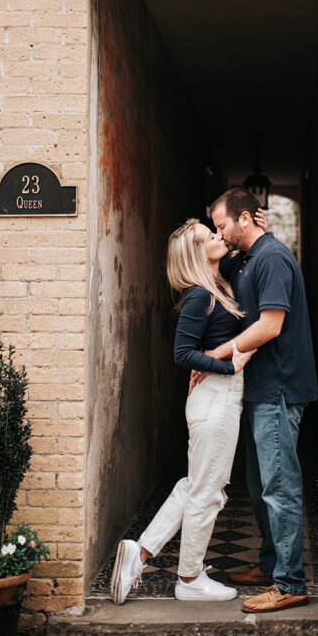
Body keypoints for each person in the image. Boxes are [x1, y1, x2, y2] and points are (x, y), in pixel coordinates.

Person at [110, 218, 254, 604]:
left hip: (216, 399)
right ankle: (189, 578)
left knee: (196, 485)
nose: (218, 235)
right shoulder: (199, 296)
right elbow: (182, 353)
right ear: (196, 253)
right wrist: (229, 365)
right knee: (208, 490)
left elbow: (245, 253)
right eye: (210, 236)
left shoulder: (216, 285)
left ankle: (139, 553)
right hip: (216, 399)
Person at [208, 188, 318, 613]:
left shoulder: (272, 258)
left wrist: (216, 354)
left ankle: (290, 582)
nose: (220, 234)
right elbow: (213, 268)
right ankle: (273, 566)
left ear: (244, 220)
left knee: (280, 487)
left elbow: (271, 325)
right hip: (260, 389)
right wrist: (216, 249)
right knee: (259, 488)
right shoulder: (249, 258)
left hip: (279, 389)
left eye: (222, 226)